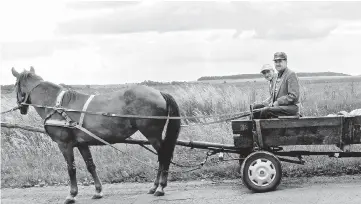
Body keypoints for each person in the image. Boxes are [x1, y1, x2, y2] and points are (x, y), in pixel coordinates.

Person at [253, 52, 300, 119]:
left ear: (286, 62)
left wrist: (278, 102)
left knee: (266, 111)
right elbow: (274, 96)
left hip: (290, 108)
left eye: (280, 61)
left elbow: (293, 96)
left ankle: (262, 129)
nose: (277, 64)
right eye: (276, 62)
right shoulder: (277, 76)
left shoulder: (291, 74)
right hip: (280, 107)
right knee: (256, 108)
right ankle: (253, 127)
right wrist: (269, 103)